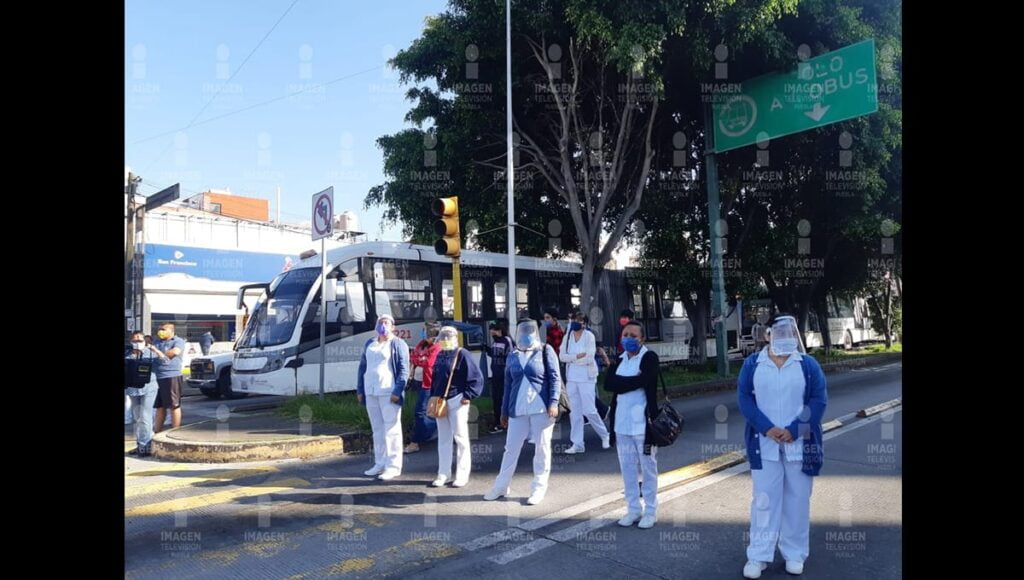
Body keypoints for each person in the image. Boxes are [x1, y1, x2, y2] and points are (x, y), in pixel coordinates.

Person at [739, 314, 827, 579]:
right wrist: (766, 427)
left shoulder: (807, 365)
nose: (785, 336)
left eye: (790, 332)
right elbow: (744, 399)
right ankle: (758, 555)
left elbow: (818, 400)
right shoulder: (753, 364)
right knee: (764, 502)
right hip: (764, 444)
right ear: (768, 335)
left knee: (797, 501)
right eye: (779, 332)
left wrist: (793, 430)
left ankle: (795, 553)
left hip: (800, 445)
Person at [484, 319, 561, 505]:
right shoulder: (513, 354)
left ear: (535, 332)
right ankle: (501, 486)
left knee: (541, 449)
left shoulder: (545, 350)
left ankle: (538, 488)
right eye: (522, 331)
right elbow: (508, 385)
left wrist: (553, 402)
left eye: (529, 330)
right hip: (517, 409)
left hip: (541, 408)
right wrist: (503, 412)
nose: (525, 335)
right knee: (510, 448)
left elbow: (555, 378)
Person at [604, 320, 661, 529]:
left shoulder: (649, 357)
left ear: (642, 338)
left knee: (648, 468)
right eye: (625, 334)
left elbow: (646, 380)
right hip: (621, 424)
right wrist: (633, 382)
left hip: (643, 425)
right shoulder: (619, 360)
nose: (628, 338)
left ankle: (651, 510)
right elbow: (609, 384)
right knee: (627, 468)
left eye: (633, 335)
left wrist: (624, 383)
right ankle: (633, 509)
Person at [356, 314, 410, 481]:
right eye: (380, 322)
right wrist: (360, 389)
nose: (383, 325)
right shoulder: (370, 343)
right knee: (377, 430)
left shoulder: (398, 344)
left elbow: (403, 369)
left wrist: (397, 391)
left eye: (386, 323)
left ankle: (393, 466)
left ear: (393, 327)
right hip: (371, 391)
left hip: (388, 391)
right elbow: (362, 367)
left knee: (391, 430)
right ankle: (380, 463)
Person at [429, 326, 484, 487]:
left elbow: (476, 378)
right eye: (443, 337)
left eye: (448, 336)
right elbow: (435, 378)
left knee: (460, 438)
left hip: (457, 400)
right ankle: (443, 473)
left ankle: (462, 474)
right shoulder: (440, 355)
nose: (444, 340)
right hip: (441, 401)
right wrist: (433, 396)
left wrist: (468, 396)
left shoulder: (462, 354)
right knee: (444, 439)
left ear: (455, 337)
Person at [559, 312, 610, 454]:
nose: (575, 323)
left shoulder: (589, 336)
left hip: (587, 377)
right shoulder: (567, 337)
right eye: (573, 320)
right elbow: (562, 357)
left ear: (585, 323)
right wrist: (576, 356)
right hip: (572, 377)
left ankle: (605, 435)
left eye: (579, 321)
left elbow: (588, 358)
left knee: (589, 409)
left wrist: (572, 358)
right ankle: (577, 443)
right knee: (574, 412)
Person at [405, 321, 442, 454]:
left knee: (420, 412)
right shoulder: (422, 345)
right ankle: (436, 430)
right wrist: (419, 359)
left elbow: (428, 363)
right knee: (430, 411)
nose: (422, 333)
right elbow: (413, 357)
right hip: (418, 381)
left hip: (430, 383)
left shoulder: (437, 347)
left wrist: (419, 359)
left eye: (425, 331)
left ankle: (415, 442)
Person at [125, 331, 159, 457]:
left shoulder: (150, 353)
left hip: (149, 387)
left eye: (140, 341)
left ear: (145, 341)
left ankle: (146, 446)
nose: (137, 343)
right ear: (130, 342)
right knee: (137, 417)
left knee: (145, 416)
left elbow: (165, 361)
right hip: (132, 389)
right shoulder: (127, 354)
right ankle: (140, 443)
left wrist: (155, 350)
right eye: (135, 341)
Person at [151, 323, 186, 432]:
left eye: (163, 329)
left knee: (174, 405)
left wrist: (158, 353)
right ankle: (157, 430)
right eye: (159, 329)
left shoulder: (178, 341)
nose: (160, 331)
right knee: (159, 406)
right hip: (157, 376)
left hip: (171, 376)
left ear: (171, 331)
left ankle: (176, 431)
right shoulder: (157, 342)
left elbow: (173, 353)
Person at [487, 321, 515, 434]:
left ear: (500, 330)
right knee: (496, 398)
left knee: (504, 398)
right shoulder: (495, 342)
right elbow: (494, 355)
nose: (492, 332)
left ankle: (505, 421)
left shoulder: (507, 340)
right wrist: (487, 349)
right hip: (495, 374)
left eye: (494, 330)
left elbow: (512, 356)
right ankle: (498, 421)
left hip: (504, 375)